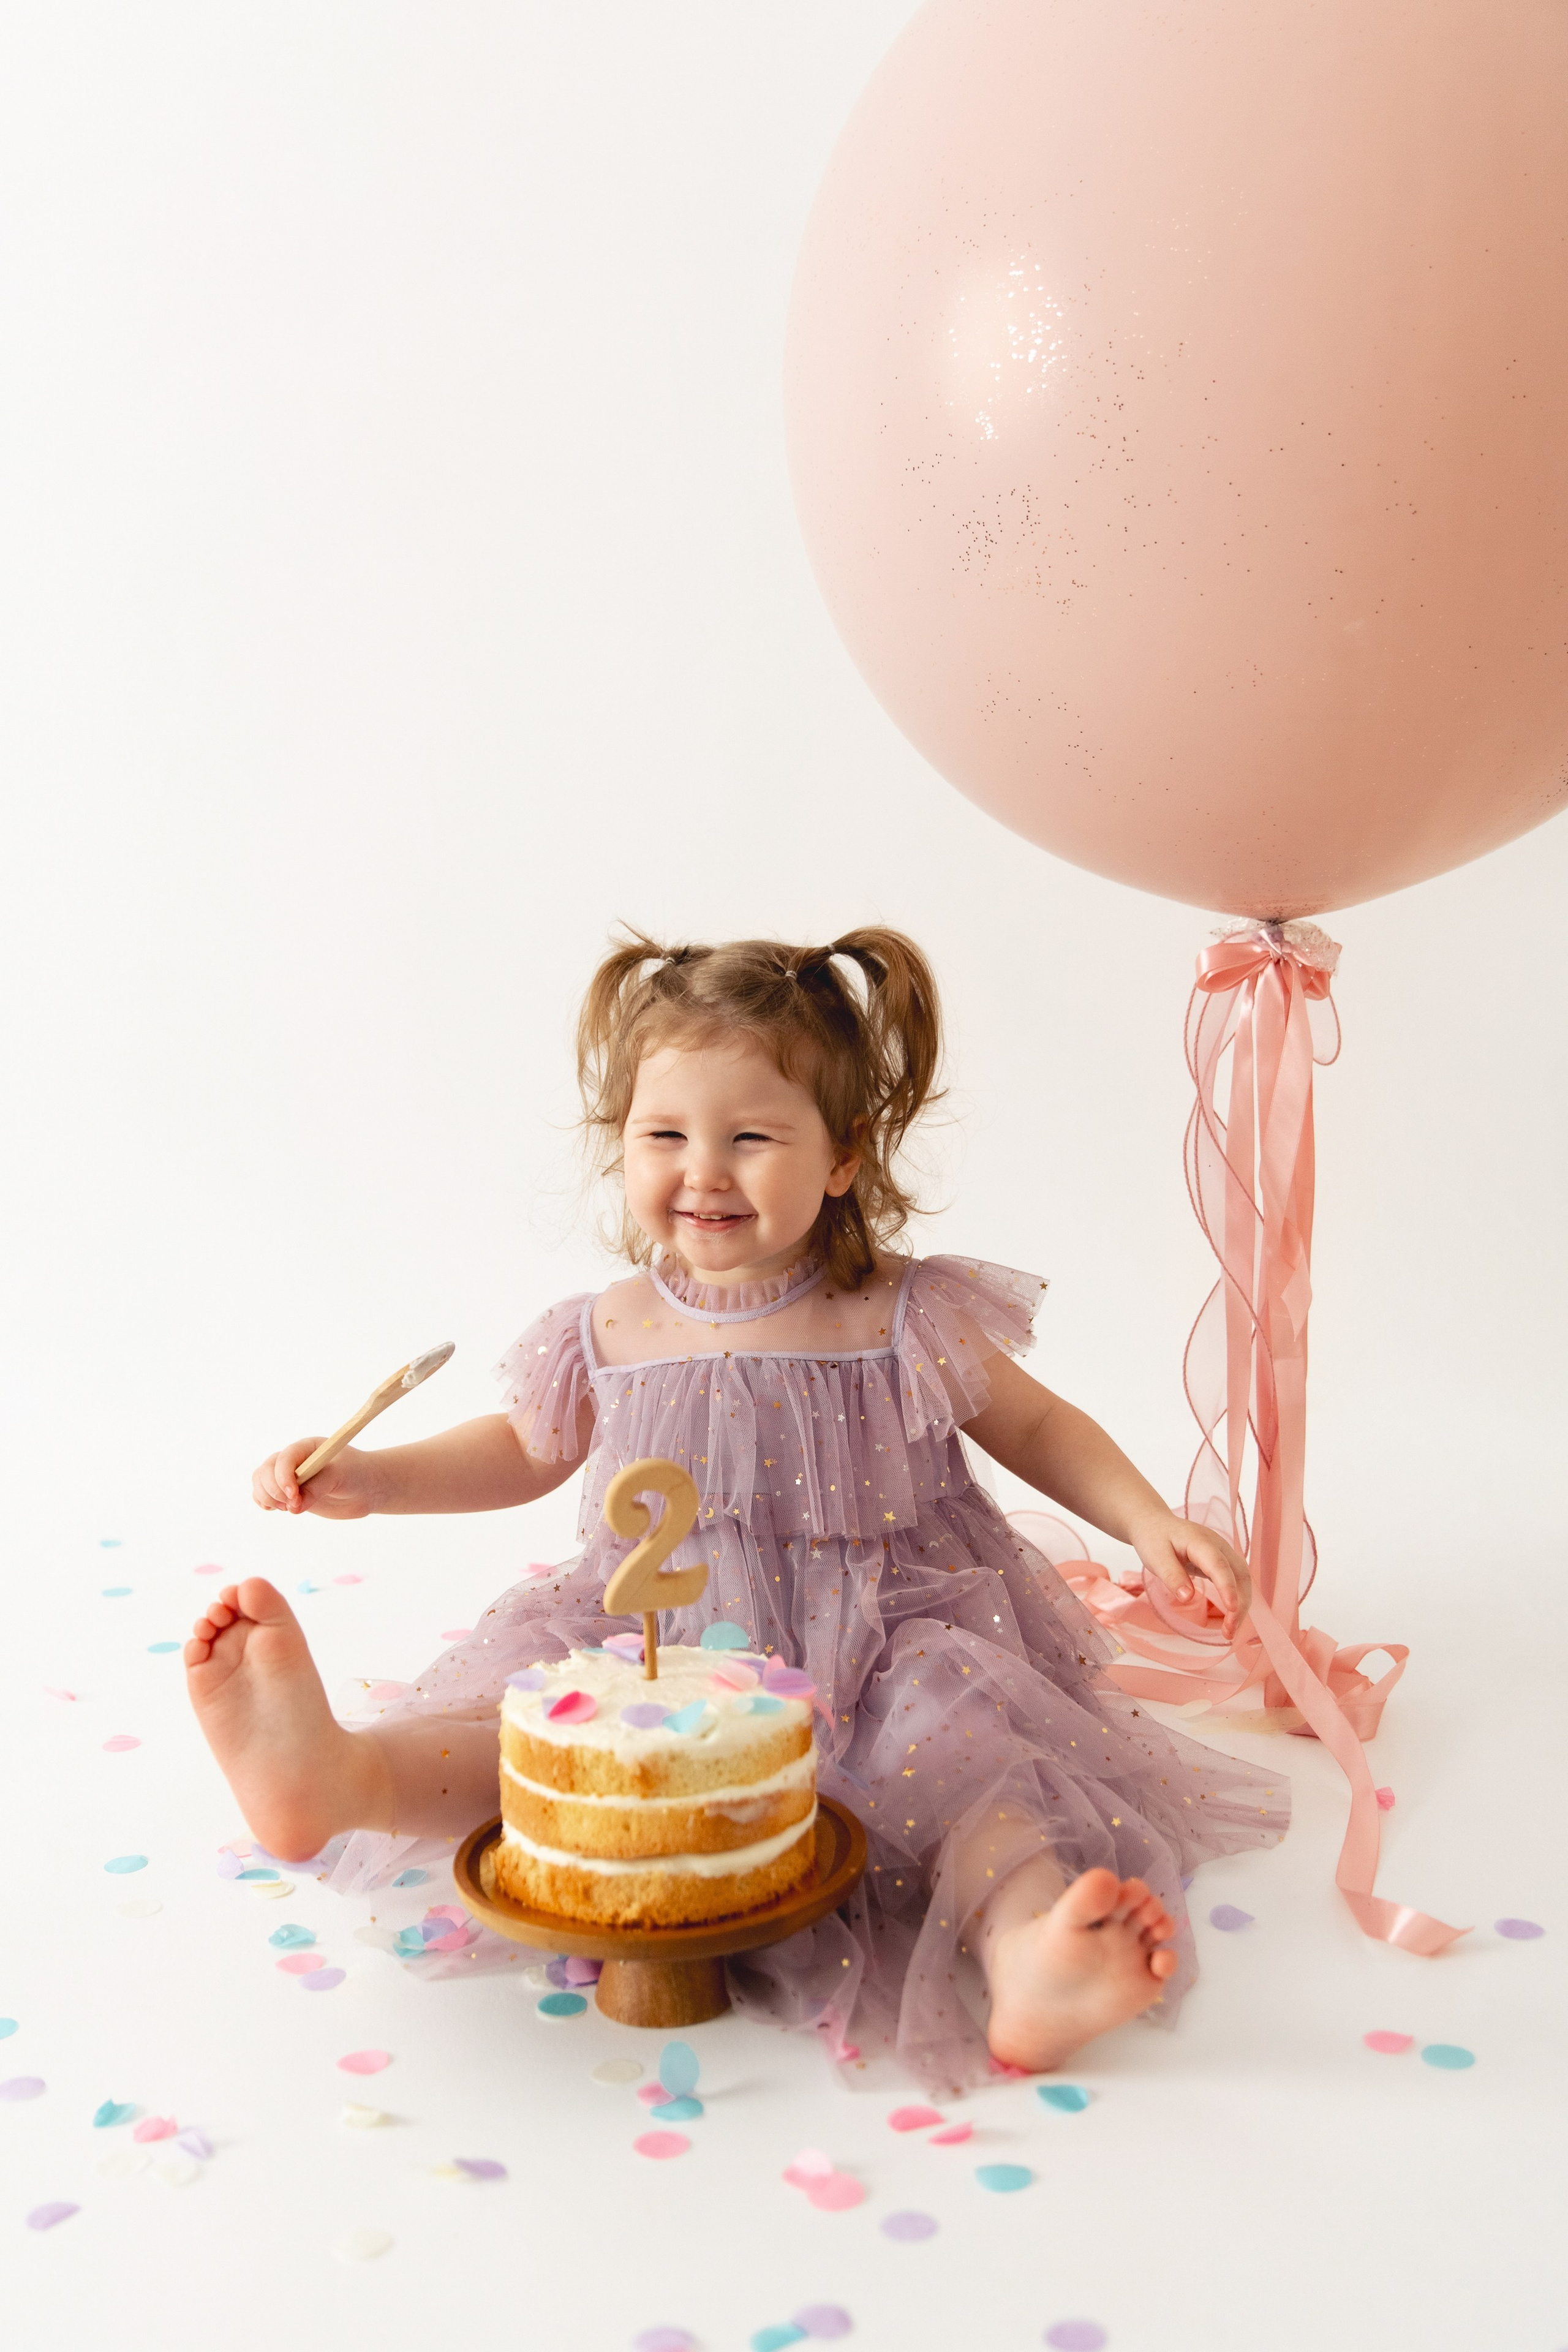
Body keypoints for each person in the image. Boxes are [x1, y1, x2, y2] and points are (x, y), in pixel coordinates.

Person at [186, 928, 1286, 2093]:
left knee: (958, 1751)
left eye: (751, 1137)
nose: (703, 1171)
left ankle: (1025, 1949)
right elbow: (522, 1448)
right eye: (665, 1135)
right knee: (556, 1731)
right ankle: (348, 1781)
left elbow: (1037, 1425)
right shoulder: (608, 1326)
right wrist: (377, 1478)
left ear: (845, 1157)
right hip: (651, 1628)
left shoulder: (899, 1312)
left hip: (885, 1629)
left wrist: (1144, 1518)